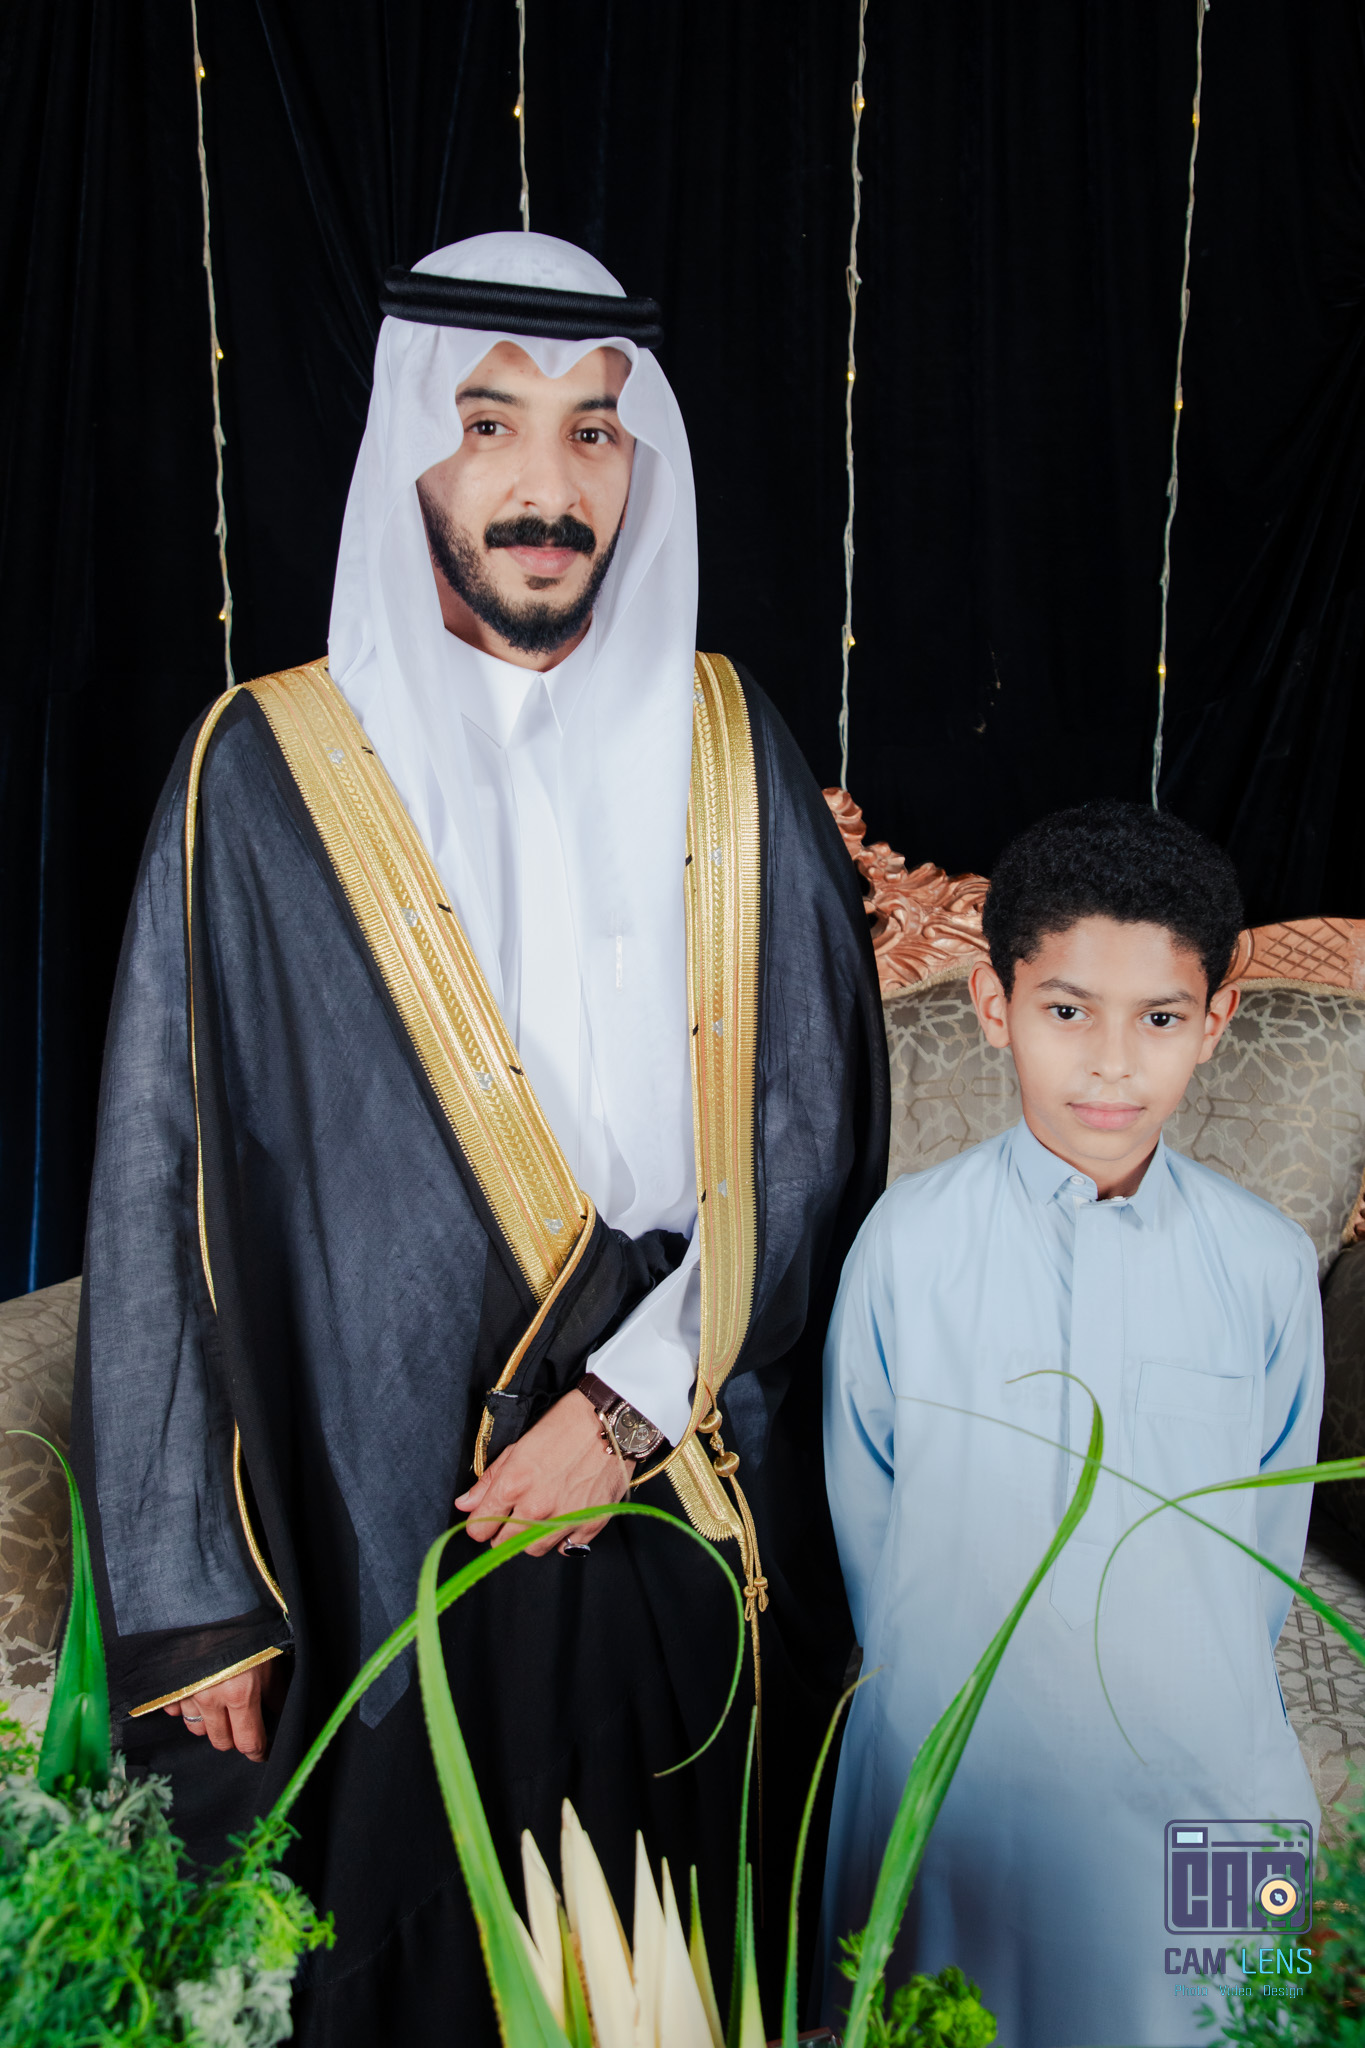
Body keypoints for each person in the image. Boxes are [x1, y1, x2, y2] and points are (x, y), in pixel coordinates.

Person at [70, 231, 888, 2044]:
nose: (548, 486)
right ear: (411, 456)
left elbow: (807, 1126)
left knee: (687, 1934)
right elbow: (150, 1181)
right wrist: (193, 1599)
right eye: (492, 425)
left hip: (680, 1453)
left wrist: (627, 1408)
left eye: (593, 432)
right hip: (371, 1483)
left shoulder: (725, 740)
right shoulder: (264, 768)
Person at [818, 800, 1323, 2048]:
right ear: (996, 1007)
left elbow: (1264, 1543)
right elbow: (869, 1519)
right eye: (1067, 1010)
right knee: (935, 2016)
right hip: (950, 1770)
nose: (1111, 1062)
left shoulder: (1266, 1262)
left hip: (1205, 1779)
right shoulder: (906, 1242)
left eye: (1158, 1018)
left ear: (1216, 1022)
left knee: (1222, 2017)